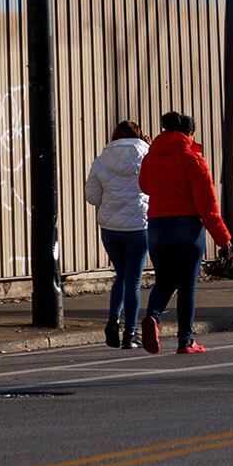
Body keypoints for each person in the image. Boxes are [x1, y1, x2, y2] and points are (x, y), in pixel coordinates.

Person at [137, 112, 232, 356]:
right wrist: (223, 238)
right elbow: (208, 206)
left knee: (165, 280)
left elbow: (144, 186)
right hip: (187, 227)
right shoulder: (194, 160)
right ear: (189, 134)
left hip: (157, 226)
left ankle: (153, 318)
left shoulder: (151, 159)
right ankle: (185, 340)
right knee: (187, 285)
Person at [83, 119, 151, 348]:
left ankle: (113, 321)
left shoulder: (102, 160)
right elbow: (156, 187)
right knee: (133, 280)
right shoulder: (147, 157)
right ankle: (130, 334)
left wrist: (111, 201)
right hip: (139, 226)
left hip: (110, 228)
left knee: (121, 276)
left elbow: (91, 196)